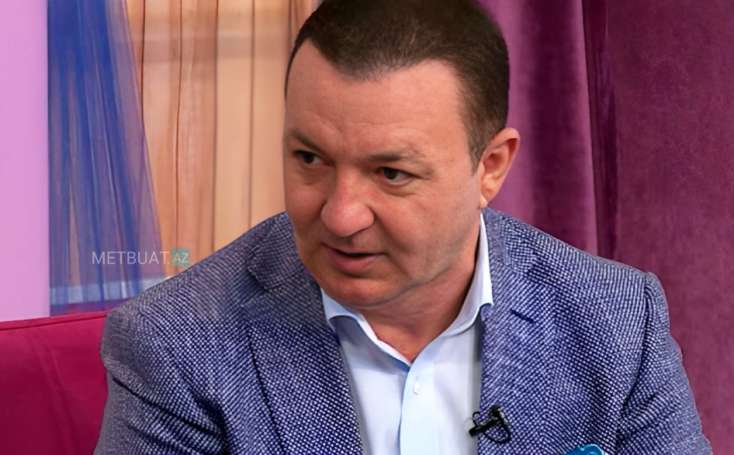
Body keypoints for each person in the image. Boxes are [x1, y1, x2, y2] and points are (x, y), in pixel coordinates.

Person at [95, 0, 711, 453]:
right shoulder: (174, 343)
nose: (340, 216)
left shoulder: (617, 321)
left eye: (391, 173)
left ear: (491, 167)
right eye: (309, 159)